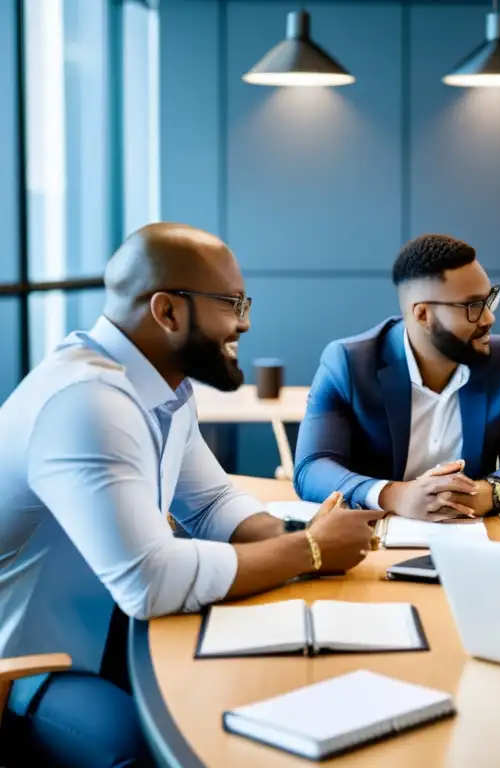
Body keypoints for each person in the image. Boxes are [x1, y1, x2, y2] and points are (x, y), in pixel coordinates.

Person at [0, 224, 382, 767]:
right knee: (147, 749)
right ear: (167, 311)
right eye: (231, 304)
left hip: (112, 634)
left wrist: (300, 534)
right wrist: (310, 552)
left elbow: (209, 504)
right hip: (30, 662)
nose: (245, 322)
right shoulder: (86, 403)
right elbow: (148, 582)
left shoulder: (162, 387)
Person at [294, 233, 500, 520]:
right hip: (376, 538)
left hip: (472, 533)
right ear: (422, 314)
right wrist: (396, 495)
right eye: (473, 306)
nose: (489, 318)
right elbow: (312, 467)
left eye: (489, 300)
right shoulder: (349, 362)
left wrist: (487, 493)